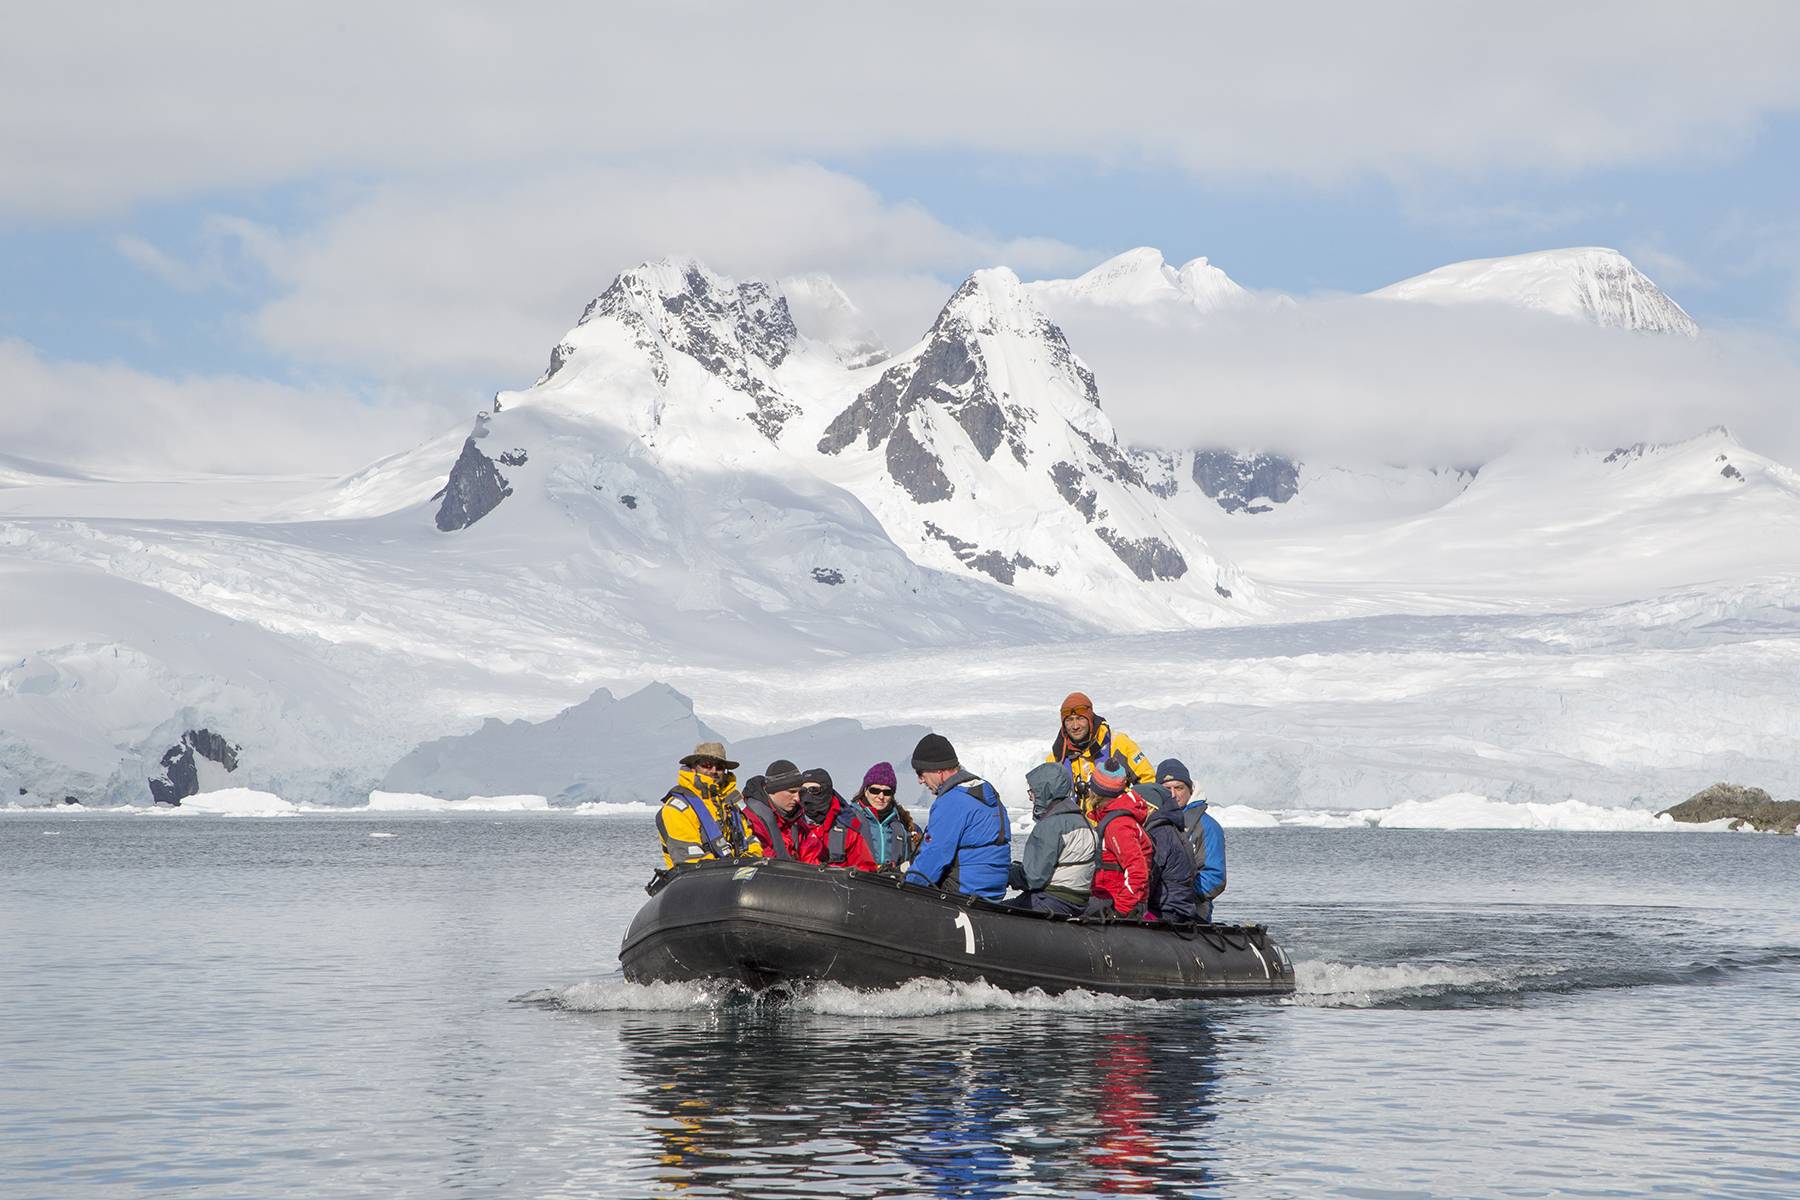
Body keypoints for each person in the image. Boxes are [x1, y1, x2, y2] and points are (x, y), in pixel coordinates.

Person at [902, 734, 1011, 899]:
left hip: (963, 891)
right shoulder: (986, 792)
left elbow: (935, 854)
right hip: (993, 890)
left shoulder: (952, 800)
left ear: (938, 770)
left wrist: (906, 888)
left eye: (921, 773)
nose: (920, 780)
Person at [1006, 760, 1095, 915]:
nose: (1030, 797)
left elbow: (1033, 878)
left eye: (1032, 792)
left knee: (993, 909)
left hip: (1052, 900)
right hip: (1079, 901)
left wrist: (1006, 873)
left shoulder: (1050, 826)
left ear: (1045, 791)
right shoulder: (1084, 821)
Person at [655, 741, 761, 869]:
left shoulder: (730, 807)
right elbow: (690, 861)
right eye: (706, 765)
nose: (713, 771)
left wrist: (749, 863)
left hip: (731, 877)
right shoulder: (676, 809)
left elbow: (750, 841)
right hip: (694, 882)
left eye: (720, 767)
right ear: (693, 767)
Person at [1084, 754, 1154, 920]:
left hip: (1117, 904)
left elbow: (1137, 871)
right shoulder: (1112, 818)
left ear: (1097, 792)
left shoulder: (1118, 825)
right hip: (1108, 899)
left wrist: (1120, 911)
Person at [1156, 758, 1225, 921]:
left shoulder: (1208, 827)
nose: (1173, 794)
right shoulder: (1151, 821)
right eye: (1167, 789)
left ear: (1189, 789)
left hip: (1192, 910)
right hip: (1155, 906)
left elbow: (1215, 877)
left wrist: (1178, 895)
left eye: (1179, 788)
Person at [1048, 692, 1154, 793]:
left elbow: (1148, 782)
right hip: (1072, 811)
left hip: (1115, 810)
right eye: (1069, 720)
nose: (1075, 726)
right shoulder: (1057, 757)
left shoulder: (1118, 744)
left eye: (1080, 718)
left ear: (1090, 719)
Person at [1137, 782, 1198, 923]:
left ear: (1149, 808)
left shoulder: (1159, 834)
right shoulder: (1171, 830)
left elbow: (1149, 878)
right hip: (1179, 908)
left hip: (1166, 910)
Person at [795, 768, 877, 871]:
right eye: (803, 791)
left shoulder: (848, 829)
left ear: (826, 791)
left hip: (836, 885)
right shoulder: (792, 826)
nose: (807, 797)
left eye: (814, 790)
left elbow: (865, 869)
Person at [851, 762, 921, 870]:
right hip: (857, 881)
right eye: (875, 790)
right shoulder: (849, 818)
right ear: (865, 791)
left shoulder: (901, 825)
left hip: (890, 882)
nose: (881, 796)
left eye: (887, 792)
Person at [741, 758, 807, 859]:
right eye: (792, 792)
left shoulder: (797, 816)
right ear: (774, 790)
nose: (797, 798)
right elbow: (765, 862)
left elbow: (810, 851)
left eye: (800, 792)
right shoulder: (752, 821)